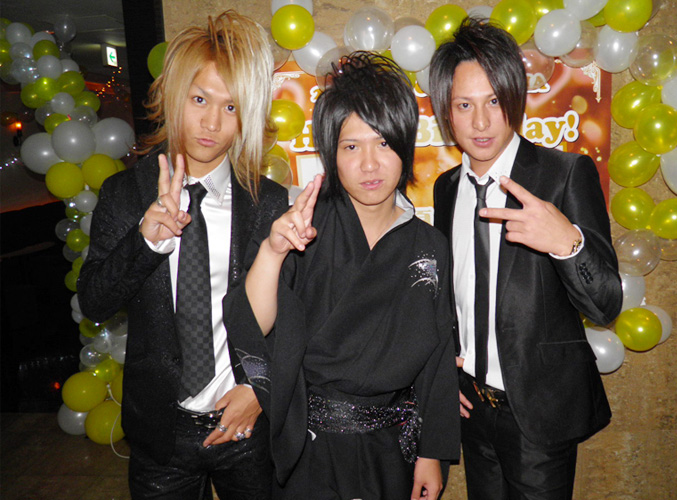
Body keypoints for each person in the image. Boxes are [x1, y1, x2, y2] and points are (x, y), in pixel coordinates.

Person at [225, 52, 460, 500]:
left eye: (383, 143)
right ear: (331, 154)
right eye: (351, 147)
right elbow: (252, 324)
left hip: (393, 448)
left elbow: (437, 356)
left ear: (405, 145)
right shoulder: (302, 228)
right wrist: (272, 252)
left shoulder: (429, 245)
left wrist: (433, 452)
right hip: (311, 447)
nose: (369, 164)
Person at [77, 10, 288, 499]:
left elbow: (295, 315)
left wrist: (260, 389)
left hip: (246, 427)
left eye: (231, 107)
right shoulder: (125, 195)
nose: (212, 122)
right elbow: (94, 302)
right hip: (159, 435)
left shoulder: (269, 203)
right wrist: (145, 242)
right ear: (175, 96)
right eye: (199, 99)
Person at [429, 18, 623, 500]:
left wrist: (566, 243)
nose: (480, 122)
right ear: (446, 111)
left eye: (494, 101)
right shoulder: (446, 188)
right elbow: (451, 295)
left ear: (515, 98)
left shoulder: (563, 174)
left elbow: (606, 306)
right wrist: (444, 372)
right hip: (471, 409)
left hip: (539, 413)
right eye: (464, 105)